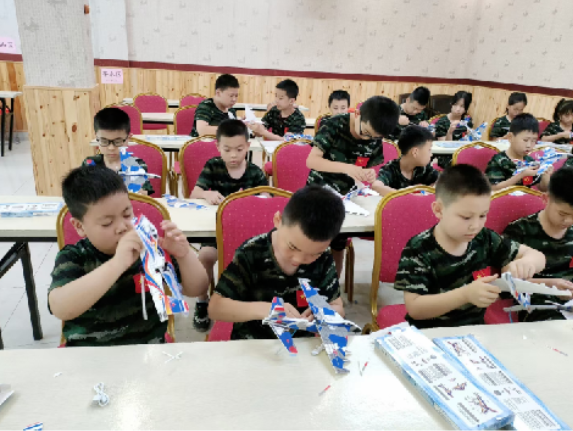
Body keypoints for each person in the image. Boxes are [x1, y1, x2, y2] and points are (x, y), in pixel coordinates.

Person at [49, 166, 209, 346]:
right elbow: (60, 308)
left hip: (148, 348)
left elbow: (197, 288)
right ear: (79, 226)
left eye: (127, 214)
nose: (122, 227)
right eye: (107, 223)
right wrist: (117, 264)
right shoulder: (75, 257)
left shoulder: (149, 249)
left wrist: (184, 255)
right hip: (90, 354)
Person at [394, 164, 545, 328]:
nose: (475, 225)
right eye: (466, 217)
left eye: (483, 215)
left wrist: (526, 263)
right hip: (429, 333)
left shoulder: (484, 238)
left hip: (474, 331)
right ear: (438, 210)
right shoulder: (418, 248)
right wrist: (465, 295)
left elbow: (538, 257)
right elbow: (415, 308)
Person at [208, 186, 346, 340]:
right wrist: (265, 310)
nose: (298, 260)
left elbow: (337, 306)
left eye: (314, 254)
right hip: (253, 343)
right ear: (278, 220)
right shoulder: (251, 252)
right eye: (292, 247)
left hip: (300, 345)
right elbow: (215, 308)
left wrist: (325, 313)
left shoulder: (324, 258)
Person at [305, 95, 400, 274]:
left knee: (338, 243)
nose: (368, 138)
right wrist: (347, 168)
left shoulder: (374, 134)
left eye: (374, 137)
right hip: (318, 193)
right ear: (357, 114)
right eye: (366, 132)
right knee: (314, 241)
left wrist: (368, 174)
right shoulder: (334, 125)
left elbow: (367, 166)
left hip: (347, 199)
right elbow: (312, 161)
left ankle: (334, 283)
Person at [190, 119, 268, 331]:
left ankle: (249, 303)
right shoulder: (213, 166)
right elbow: (195, 193)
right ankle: (202, 301)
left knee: (261, 260)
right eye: (227, 149)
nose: (233, 155)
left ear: (248, 146)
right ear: (218, 147)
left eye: (239, 149)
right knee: (205, 257)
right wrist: (206, 194)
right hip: (216, 230)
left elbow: (267, 199)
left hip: (247, 233)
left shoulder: (255, 172)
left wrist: (252, 201)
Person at [504, 167, 573, 322]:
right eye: (563, 214)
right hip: (538, 304)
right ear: (545, 199)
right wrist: (549, 285)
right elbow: (508, 282)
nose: (569, 221)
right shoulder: (520, 231)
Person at [84, 107, 154, 196]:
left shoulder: (137, 165)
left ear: (128, 139)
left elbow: (144, 196)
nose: (111, 148)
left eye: (118, 142)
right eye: (104, 141)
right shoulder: (89, 164)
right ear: (96, 137)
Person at [486, 113, 553, 192]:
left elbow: (543, 189)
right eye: (525, 140)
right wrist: (521, 175)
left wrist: (546, 174)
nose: (529, 145)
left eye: (533, 141)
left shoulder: (530, 161)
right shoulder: (498, 161)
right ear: (510, 137)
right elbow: (494, 189)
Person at [372, 125, 439, 196]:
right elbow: (376, 186)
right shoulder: (391, 169)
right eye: (429, 150)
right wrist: (409, 196)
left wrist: (429, 191)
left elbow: (441, 181)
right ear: (415, 152)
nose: (431, 154)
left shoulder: (423, 168)